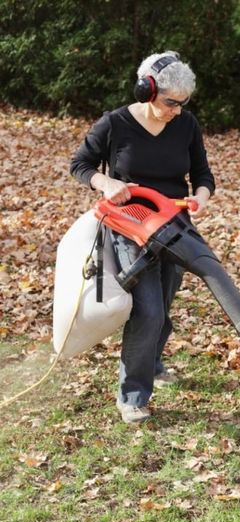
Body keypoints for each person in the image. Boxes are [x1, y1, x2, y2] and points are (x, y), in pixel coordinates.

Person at [70, 51, 215, 424]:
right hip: (129, 223)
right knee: (147, 310)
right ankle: (132, 395)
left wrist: (200, 198)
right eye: (171, 102)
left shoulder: (186, 125)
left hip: (175, 224)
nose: (177, 111)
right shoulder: (115, 123)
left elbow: (202, 173)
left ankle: (151, 360)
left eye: (184, 104)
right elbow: (80, 165)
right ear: (147, 90)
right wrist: (106, 183)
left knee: (163, 308)